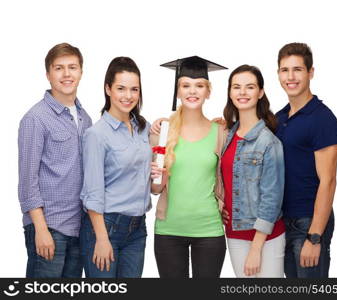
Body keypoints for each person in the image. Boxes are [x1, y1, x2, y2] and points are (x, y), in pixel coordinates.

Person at [18, 43, 92, 278]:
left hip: (78, 228)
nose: (67, 74)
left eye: (73, 67)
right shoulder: (35, 119)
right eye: (59, 68)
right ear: (48, 74)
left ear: (81, 72)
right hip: (49, 228)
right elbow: (27, 182)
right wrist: (40, 229)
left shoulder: (85, 118)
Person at [151, 56, 227, 278]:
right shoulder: (163, 131)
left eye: (199, 86)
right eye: (185, 85)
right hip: (168, 231)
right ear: (178, 91)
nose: (192, 91)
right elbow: (155, 189)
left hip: (209, 230)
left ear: (208, 91)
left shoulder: (220, 132)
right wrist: (160, 178)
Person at [79, 57, 151, 278]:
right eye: (121, 88)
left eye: (134, 89)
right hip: (106, 226)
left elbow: (174, 136)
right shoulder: (96, 135)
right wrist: (101, 238)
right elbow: (92, 191)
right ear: (108, 89)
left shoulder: (143, 128)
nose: (128, 96)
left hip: (137, 229)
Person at [275, 43, 337, 278]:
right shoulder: (280, 117)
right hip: (283, 222)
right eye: (285, 70)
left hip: (308, 224)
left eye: (297, 70)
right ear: (278, 74)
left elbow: (329, 181)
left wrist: (314, 237)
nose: (290, 77)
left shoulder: (322, 119)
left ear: (310, 72)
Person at [221, 65, 285, 277]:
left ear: (260, 92)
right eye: (236, 87)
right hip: (234, 233)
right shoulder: (228, 135)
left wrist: (256, 249)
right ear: (230, 93)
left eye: (249, 87)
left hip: (266, 238)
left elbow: (272, 198)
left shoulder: (269, 142)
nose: (242, 92)